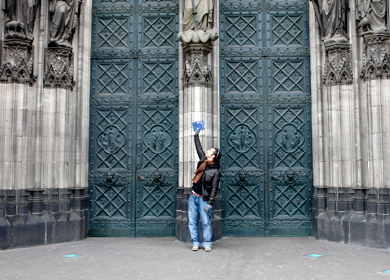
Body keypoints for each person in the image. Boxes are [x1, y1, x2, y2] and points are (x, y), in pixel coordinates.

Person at [188, 128, 221, 252]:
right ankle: (195, 242)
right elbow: (199, 148)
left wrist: (210, 203)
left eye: (210, 151)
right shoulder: (203, 161)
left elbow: (214, 189)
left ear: (213, 156)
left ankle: (207, 243)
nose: (206, 151)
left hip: (204, 199)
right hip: (193, 196)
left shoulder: (216, 171)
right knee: (192, 222)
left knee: (206, 222)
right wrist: (196, 135)